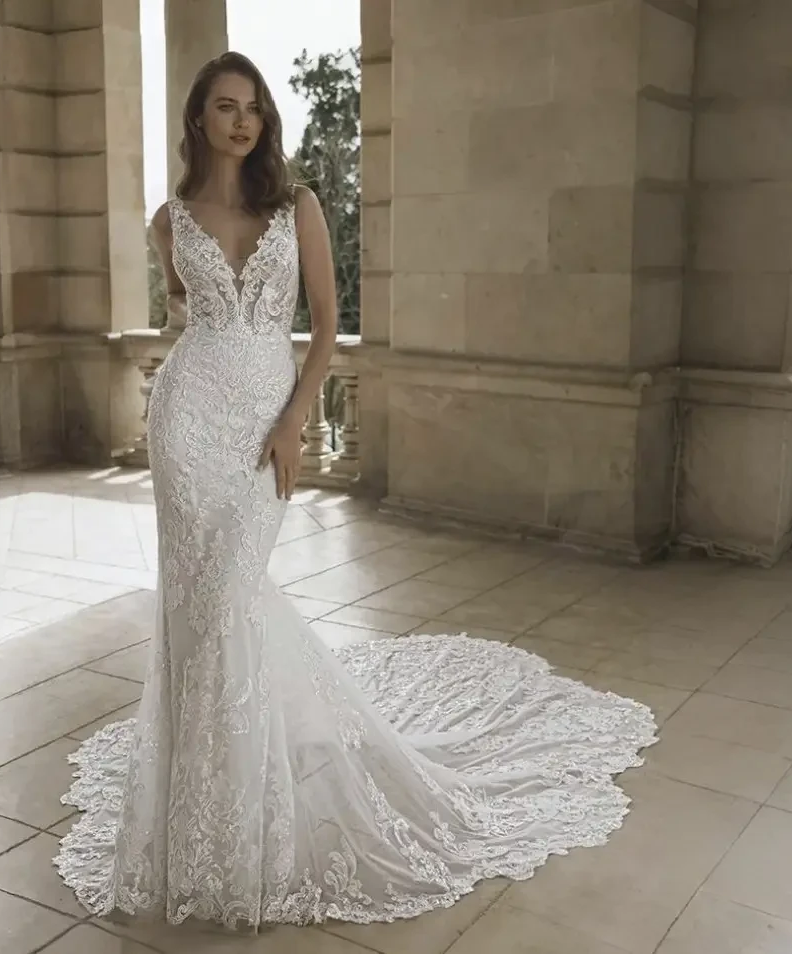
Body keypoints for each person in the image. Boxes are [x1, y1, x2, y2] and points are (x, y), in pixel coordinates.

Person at [54, 51, 657, 931]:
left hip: (266, 421)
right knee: (197, 609)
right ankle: (204, 833)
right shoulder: (167, 220)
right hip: (185, 423)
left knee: (228, 598)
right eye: (225, 108)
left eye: (253, 108)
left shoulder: (295, 207)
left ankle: (243, 827)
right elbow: (189, 314)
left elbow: (329, 325)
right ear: (197, 121)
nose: (242, 122)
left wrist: (296, 417)